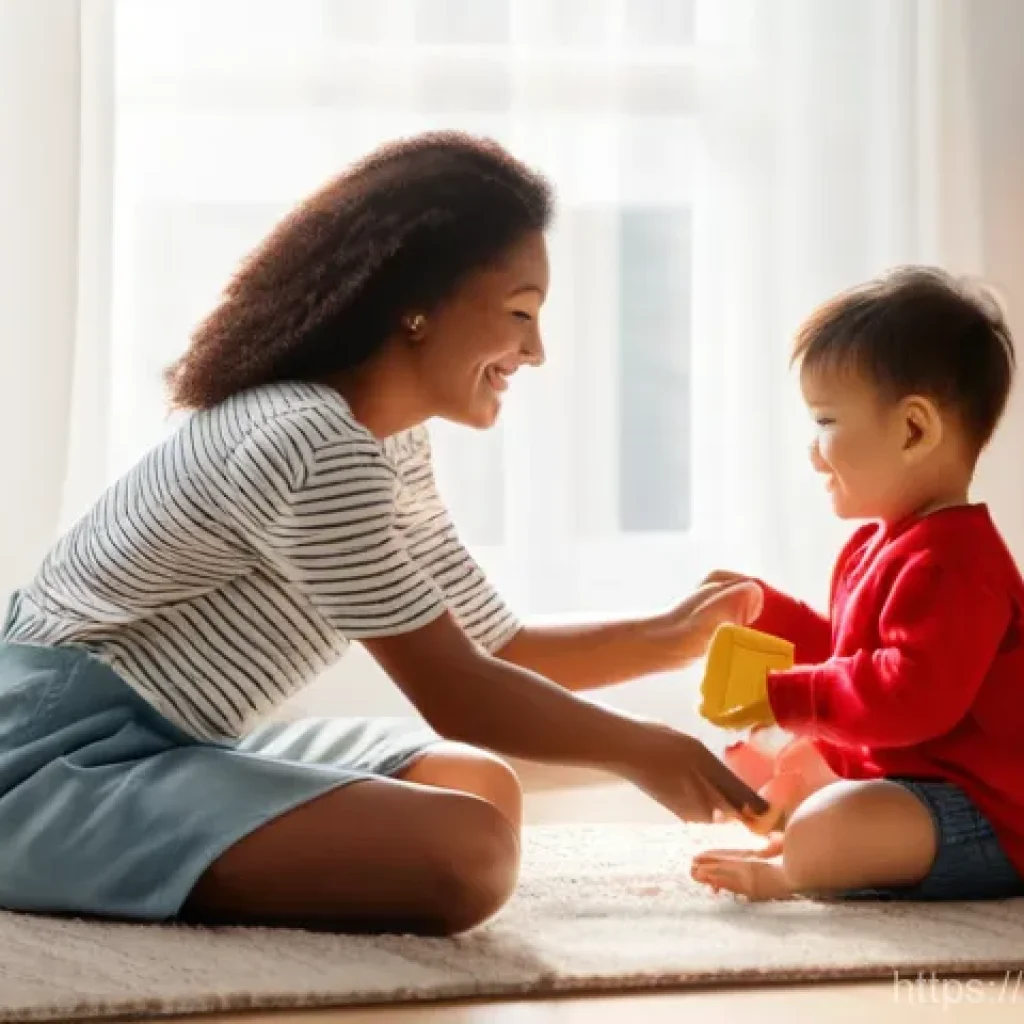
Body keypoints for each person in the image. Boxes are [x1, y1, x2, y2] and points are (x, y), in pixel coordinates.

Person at [0, 131, 767, 936]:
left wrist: (671, 638)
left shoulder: (385, 440)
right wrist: (648, 749)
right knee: (465, 853)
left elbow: (490, 649)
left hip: (174, 743)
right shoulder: (310, 443)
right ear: (416, 305)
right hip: (50, 763)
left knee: (480, 788)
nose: (535, 351)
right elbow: (457, 691)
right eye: (519, 314)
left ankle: (166, 849)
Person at [690, 266, 1024, 902]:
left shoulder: (955, 564)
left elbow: (907, 698)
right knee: (801, 768)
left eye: (825, 422)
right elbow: (853, 659)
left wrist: (786, 694)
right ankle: (796, 829)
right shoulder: (881, 545)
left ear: (912, 431)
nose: (814, 453)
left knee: (828, 825)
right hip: (924, 790)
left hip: (993, 814)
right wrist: (767, 613)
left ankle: (795, 868)